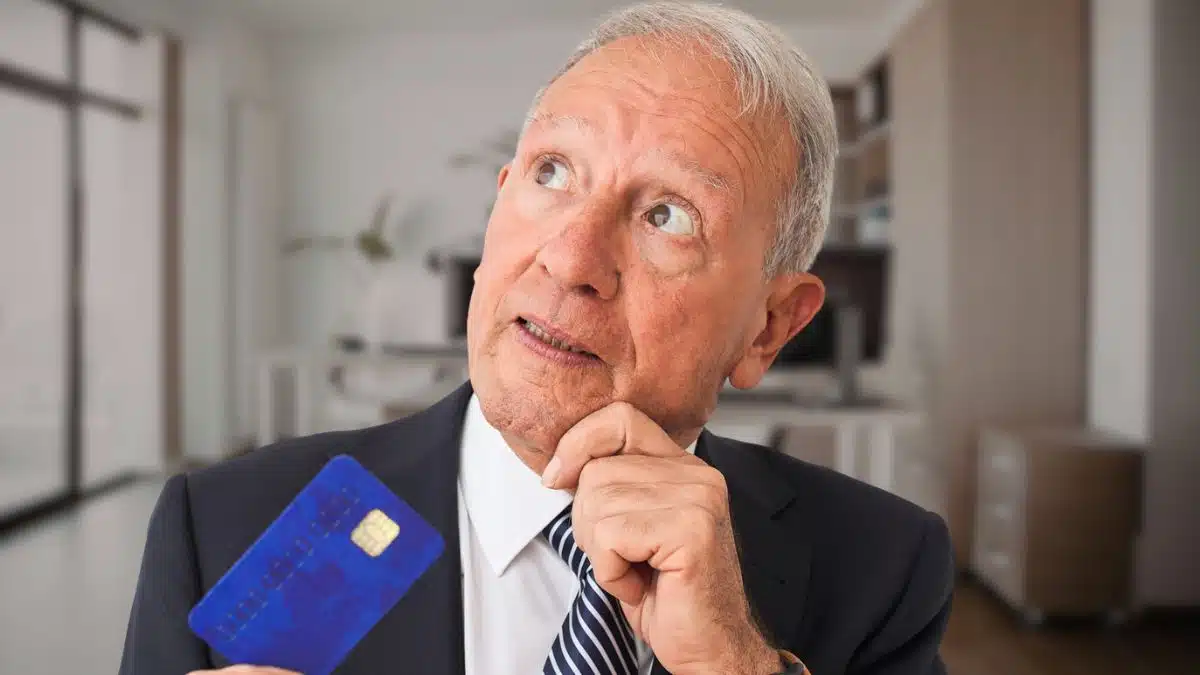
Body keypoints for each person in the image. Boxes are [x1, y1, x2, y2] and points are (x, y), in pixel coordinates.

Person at [119, 3, 954, 674]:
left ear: (770, 326)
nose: (570, 256)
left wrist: (736, 668)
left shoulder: (884, 565)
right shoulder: (222, 529)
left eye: (668, 215)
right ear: (500, 200)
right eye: (553, 173)